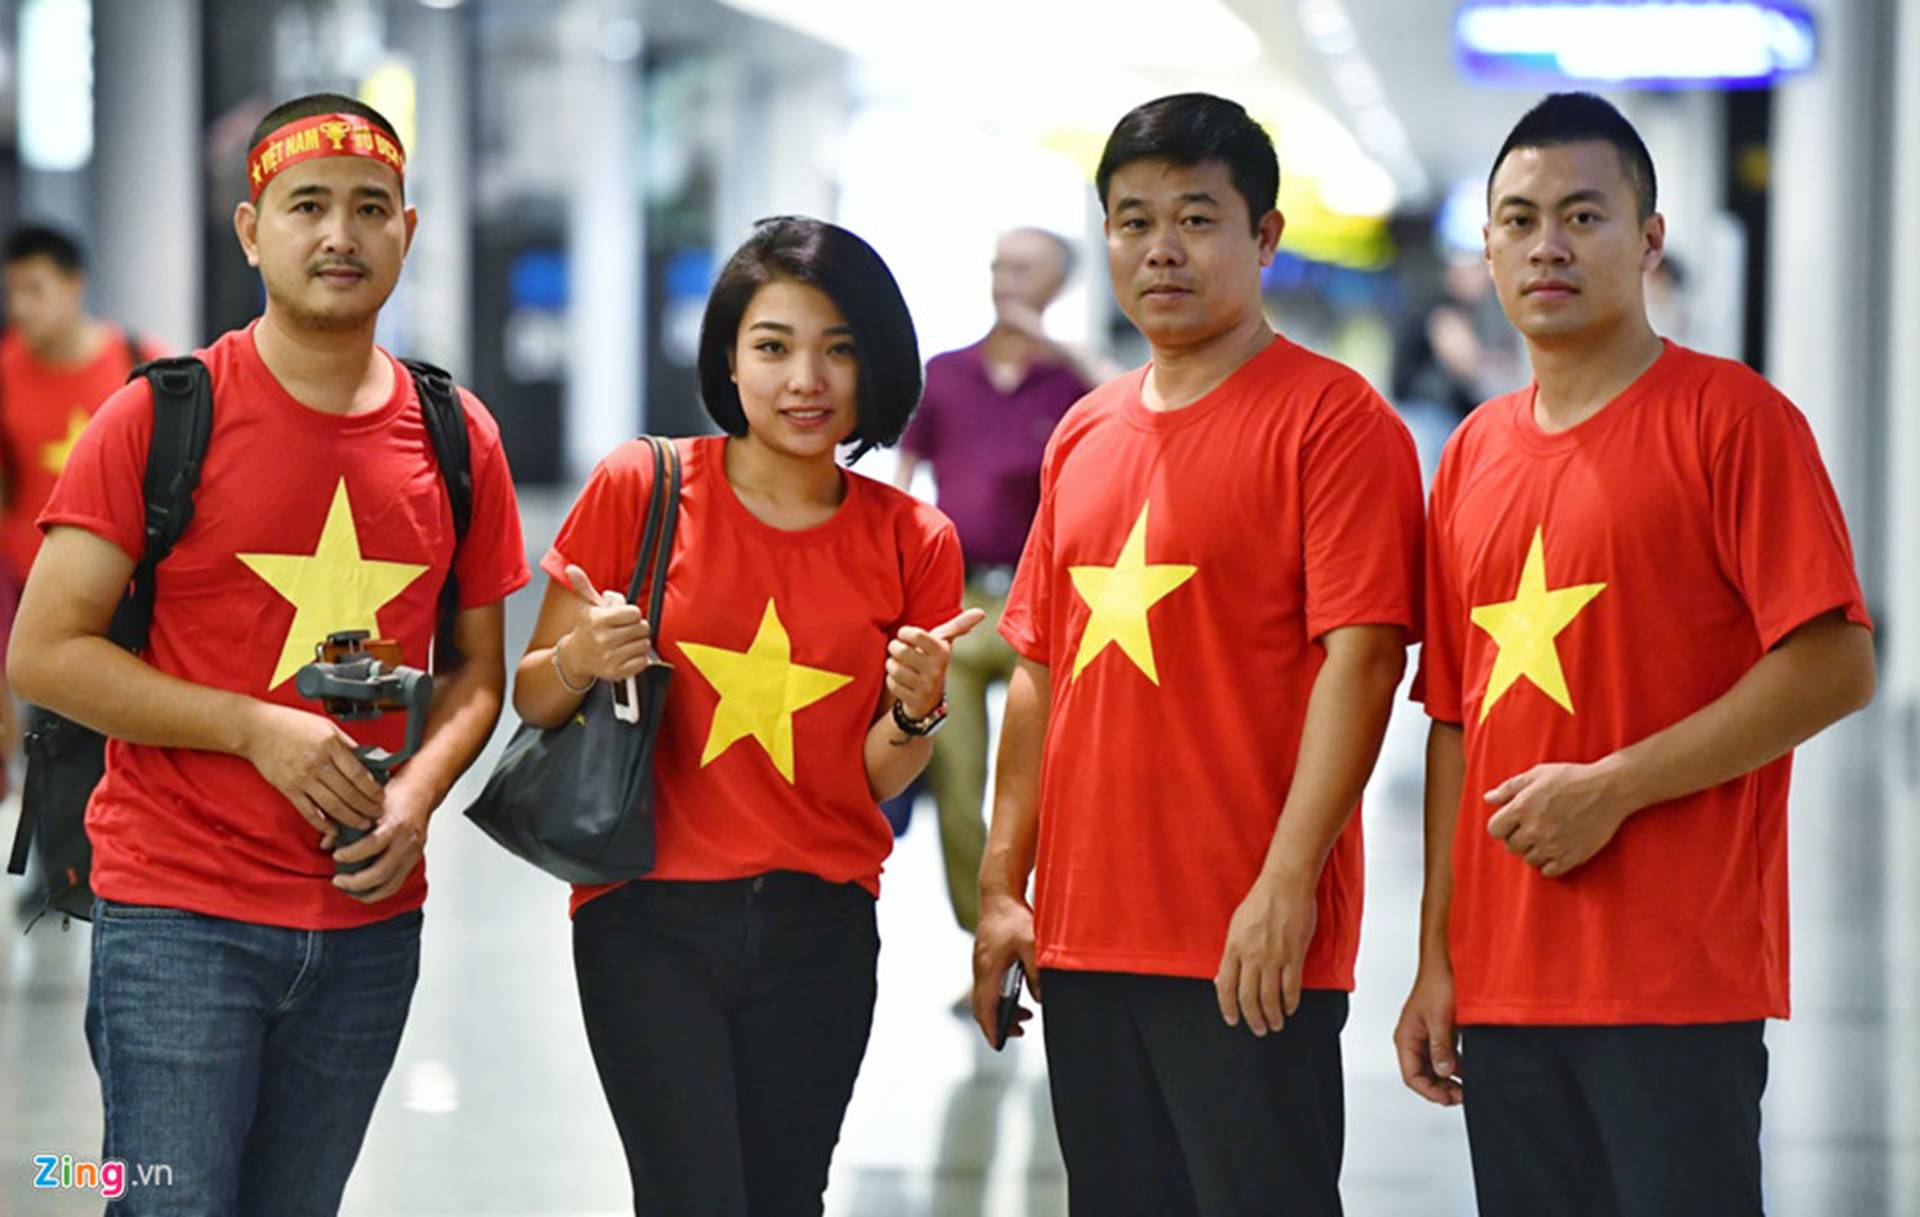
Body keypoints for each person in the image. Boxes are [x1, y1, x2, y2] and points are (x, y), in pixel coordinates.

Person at [8, 93, 529, 1215]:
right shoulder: (160, 417)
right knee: (166, 1195)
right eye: (306, 206)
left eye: (370, 208)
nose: (340, 234)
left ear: (407, 230)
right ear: (251, 230)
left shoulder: (457, 434)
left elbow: (477, 671)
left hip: (369, 923)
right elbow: (42, 654)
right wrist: (253, 727)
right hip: (176, 913)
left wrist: (417, 798)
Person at [1392, 92, 1875, 1217]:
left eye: (1582, 216)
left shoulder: (1733, 418)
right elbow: (1455, 720)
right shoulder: (1471, 454)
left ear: (1649, 239)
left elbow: (1836, 662)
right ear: (1488, 249)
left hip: (1675, 979)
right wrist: (1437, 957)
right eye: (1519, 221)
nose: (1547, 246)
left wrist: (1613, 787)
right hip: (1507, 983)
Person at [970, 93, 1424, 1215]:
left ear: (1264, 237)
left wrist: (1286, 883)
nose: (1160, 248)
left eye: (1195, 218)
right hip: (1086, 937)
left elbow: (1364, 664)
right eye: (1133, 220)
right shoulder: (1085, 430)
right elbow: (1038, 669)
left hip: (1246, 939)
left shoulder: (1333, 420)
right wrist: (1002, 886)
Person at [512, 216, 976, 1216]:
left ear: (876, 364)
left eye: (838, 349)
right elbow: (534, 692)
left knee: (785, 1196)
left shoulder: (915, 538)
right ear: (730, 359)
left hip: (822, 923)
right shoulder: (643, 485)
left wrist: (913, 708)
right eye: (773, 346)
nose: (806, 378)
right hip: (647, 915)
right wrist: (582, 657)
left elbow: (877, 776)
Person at [892, 226, 1094, 940]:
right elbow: (905, 477)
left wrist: (1059, 347)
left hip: (1047, 604)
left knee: (1055, 779)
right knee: (956, 781)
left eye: (1025, 269)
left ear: (1058, 284)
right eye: (999, 266)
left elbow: (1134, 408)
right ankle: (985, 936)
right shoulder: (947, 374)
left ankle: (1053, 927)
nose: (1007, 281)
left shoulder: (1073, 383)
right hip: (959, 600)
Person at [0, 225, 166, 769]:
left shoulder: (140, 364)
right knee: (53, 774)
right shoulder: (6, 374)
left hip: (128, 601)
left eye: (35, 289)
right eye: (13, 292)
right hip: (32, 601)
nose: (21, 308)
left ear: (74, 285)